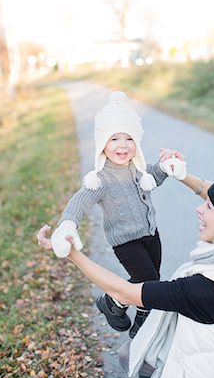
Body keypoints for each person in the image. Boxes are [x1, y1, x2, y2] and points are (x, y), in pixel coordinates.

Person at [37, 158, 214, 378]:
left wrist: (73, 255)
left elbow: (125, 292)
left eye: (208, 207)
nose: (199, 209)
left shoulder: (205, 289)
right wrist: (182, 176)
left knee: (129, 353)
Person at [37, 91, 187, 339]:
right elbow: (79, 202)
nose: (122, 145)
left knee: (150, 280)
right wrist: (66, 226)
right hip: (125, 241)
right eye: (114, 138)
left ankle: (115, 303)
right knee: (148, 280)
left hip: (151, 233)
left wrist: (166, 166)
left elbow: (152, 177)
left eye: (129, 139)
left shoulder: (137, 168)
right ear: (102, 144)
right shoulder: (101, 179)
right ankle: (143, 325)